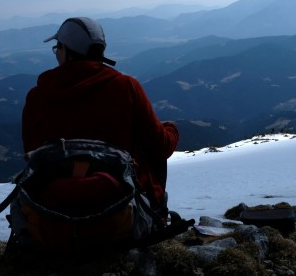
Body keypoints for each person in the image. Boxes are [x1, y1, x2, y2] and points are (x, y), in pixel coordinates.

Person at [21, 17, 179, 216]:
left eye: (57, 47)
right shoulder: (125, 87)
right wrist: (171, 129)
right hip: (118, 213)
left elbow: (31, 153)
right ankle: (155, 215)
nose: (56, 53)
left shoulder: (37, 97)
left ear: (67, 51)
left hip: (50, 214)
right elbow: (161, 146)